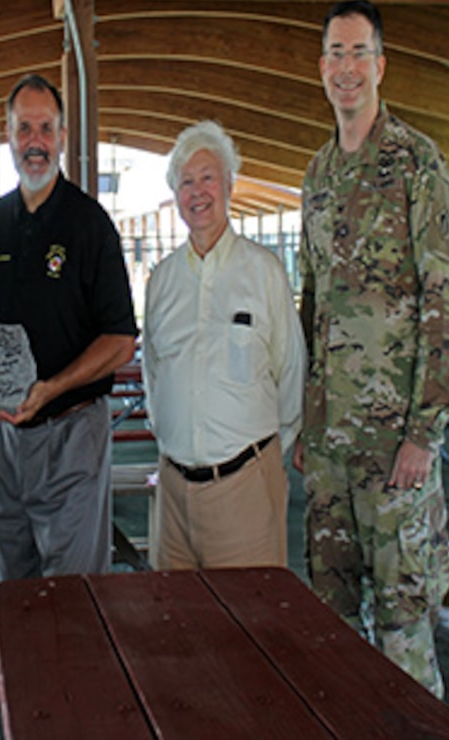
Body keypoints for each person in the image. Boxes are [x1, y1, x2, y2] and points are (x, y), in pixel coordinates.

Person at [294, 0, 449, 697]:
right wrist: (309, 423)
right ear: (321, 67)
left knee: (402, 639)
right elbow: (313, 308)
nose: (345, 69)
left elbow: (446, 303)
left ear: (380, 64)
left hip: (396, 451)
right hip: (331, 454)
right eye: (334, 53)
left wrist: (424, 433)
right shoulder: (315, 176)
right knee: (333, 635)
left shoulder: (415, 164)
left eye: (357, 53)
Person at [0, 73, 138, 581]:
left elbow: (120, 341)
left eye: (46, 128)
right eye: (24, 129)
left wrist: (51, 389)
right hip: (5, 439)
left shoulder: (90, 224)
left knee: (74, 596)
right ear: (8, 135)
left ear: (63, 137)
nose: (35, 142)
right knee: (13, 583)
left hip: (72, 431)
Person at [142, 121, 306, 570]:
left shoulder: (264, 271)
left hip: (245, 485)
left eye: (208, 177)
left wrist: (267, 459)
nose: (198, 192)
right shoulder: (162, 281)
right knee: (177, 626)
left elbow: (290, 369)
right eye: (186, 182)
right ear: (175, 196)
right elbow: (153, 372)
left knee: (250, 629)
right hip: (173, 493)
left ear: (230, 184)